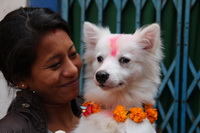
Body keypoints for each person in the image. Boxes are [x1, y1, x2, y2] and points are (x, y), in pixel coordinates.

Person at [0, 7, 83, 133]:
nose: (73, 70)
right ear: (20, 79)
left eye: (72, 54)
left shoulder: (102, 111)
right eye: (55, 64)